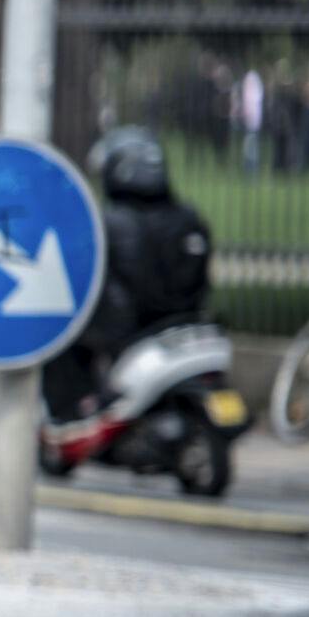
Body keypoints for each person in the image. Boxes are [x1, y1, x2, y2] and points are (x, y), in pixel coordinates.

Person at [42, 126, 212, 423]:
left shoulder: (110, 222)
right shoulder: (189, 217)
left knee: (64, 343)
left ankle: (74, 413)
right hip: (185, 325)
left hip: (126, 332)